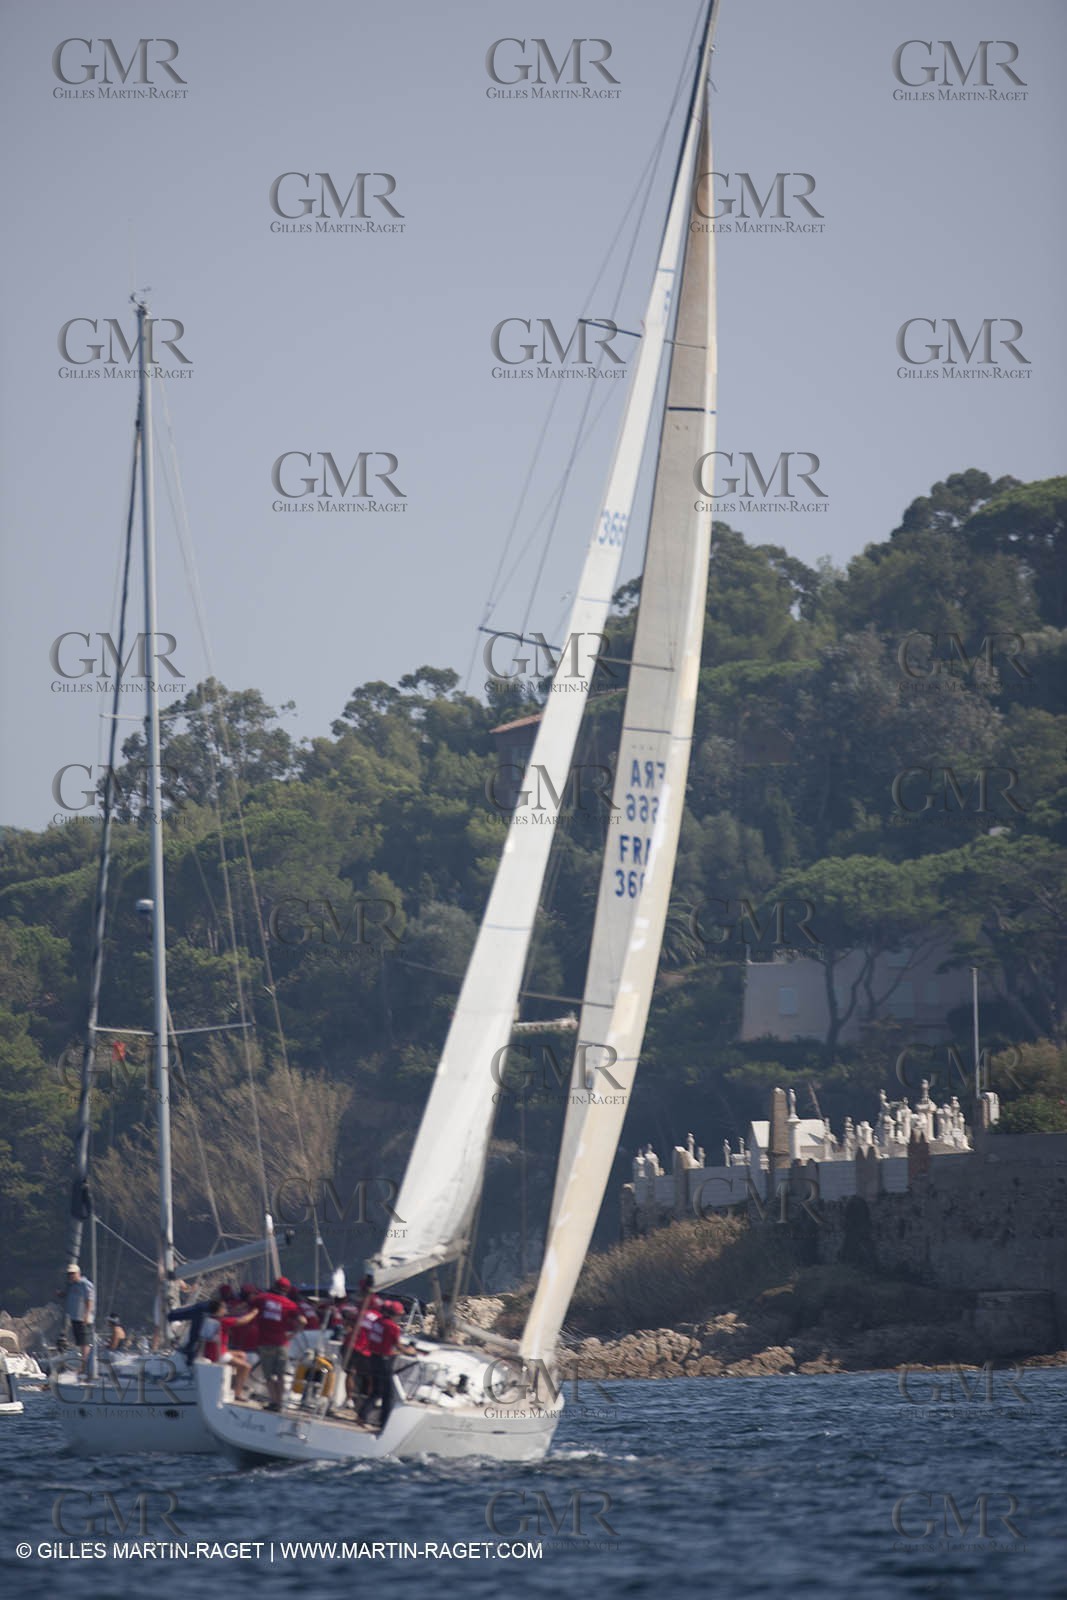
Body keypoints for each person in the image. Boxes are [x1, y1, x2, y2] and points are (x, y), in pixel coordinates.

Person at [250, 1276, 306, 1411]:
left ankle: (274, 1402)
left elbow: (250, 1306)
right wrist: (294, 1333)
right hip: (281, 1343)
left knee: (269, 1375)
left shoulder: (262, 1298)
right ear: (287, 1290)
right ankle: (280, 1403)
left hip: (265, 1342)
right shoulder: (290, 1305)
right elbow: (303, 1321)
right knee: (281, 1375)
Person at [359, 1299, 415, 1432]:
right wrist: (410, 1351)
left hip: (374, 1357)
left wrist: (393, 1351)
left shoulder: (378, 1322)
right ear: (395, 1314)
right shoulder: (392, 1327)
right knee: (388, 1394)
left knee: (377, 1391)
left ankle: (363, 1416)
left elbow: (381, 1342)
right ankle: (384, 1423)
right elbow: (398, 1346)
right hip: (384, 1361)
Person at [198, 1297, 257, 1401]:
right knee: (246, 1367)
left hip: (212, 1352)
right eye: (224, 1307)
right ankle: (238, 1394)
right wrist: (254, 1312)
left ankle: (234, 1383)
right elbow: (242, 1321)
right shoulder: (222, 1322)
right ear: (219, 1309)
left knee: (241, 1355)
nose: (226, 1309)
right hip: (217, 1355)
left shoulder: (208, 1319)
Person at [59, 1264, 95, 1372]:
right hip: (74, 1317)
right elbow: (68, 1295)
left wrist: (86, 1315)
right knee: (79, 1341)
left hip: (83, 1318)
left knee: (85, 1342)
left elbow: (89, 1300)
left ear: (78, 1273)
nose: (70, 1276)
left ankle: (85, 1366)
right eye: (69, 1274)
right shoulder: (71, 1285)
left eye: (73, 1274)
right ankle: (82, 1364)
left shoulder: (85, 1284)